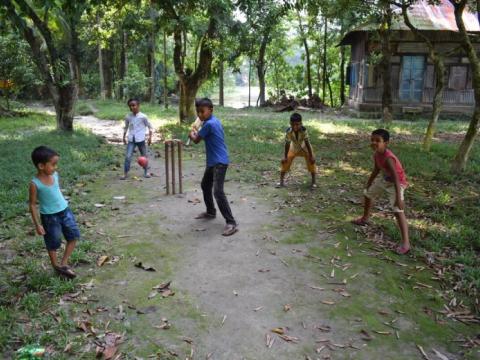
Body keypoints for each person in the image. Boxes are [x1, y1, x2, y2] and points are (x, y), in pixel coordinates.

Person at [352, 129, 410, 255]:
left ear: (386, 143)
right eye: (372, 140)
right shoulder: (377, 154)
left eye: (378, 140)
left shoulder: (389, 158)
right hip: (385, 179)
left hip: (396, 183)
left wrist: (399, 199)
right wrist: (369, 183)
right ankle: (365, 218)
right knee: (368, 194)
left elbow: (396, 177)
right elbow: (376, 169)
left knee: (398, 210)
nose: (374, 143)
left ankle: (406, 243)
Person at [188, 98, 237, 236]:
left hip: (219, 162)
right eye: (198, 112)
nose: (200, 115)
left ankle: (231, 223)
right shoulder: (213, 121)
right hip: (213, 162)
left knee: (218, 192)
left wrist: (191, 133)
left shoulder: (209, 124)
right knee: (205, 185)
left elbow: (196, 140)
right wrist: (196, 130)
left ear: (211, 110)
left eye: (202, 111)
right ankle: (210, 212)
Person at [29, 146, 80, 278]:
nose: (55, 167)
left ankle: (64, 263)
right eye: (53, 164)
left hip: (65, 211)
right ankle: (56, 266)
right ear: (41, 165)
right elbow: (32, 204)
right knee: (53, 242)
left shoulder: (55, 175)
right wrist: (37, 224)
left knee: (73, 236)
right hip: (49, 217)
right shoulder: (35, 184)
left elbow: (55, 192)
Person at [278, 112, 316, 188]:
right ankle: (281, 182)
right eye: (293, 124)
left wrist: (311, 156)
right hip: (293, 148)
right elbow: (287, 144)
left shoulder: (304, 130)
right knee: (285, 162)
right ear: (290, 123)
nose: (295, 126)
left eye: (297, 124)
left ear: (301, 123)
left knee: (311, 163)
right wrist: (285, 156)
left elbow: (307, 143)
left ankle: (313, 182)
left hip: (304, 148)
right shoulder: (288, 131)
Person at [121, 98, 153, 180]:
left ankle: (146, 172)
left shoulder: (143, 117)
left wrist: (150, 138)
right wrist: (124, 137)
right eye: (130, 106)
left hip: (141, 139)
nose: (132, 107)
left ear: (138, 106)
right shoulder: (128, 116)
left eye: (134, 105)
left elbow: (150, 127)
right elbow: (126, 127)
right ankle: (125, 173)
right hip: (131, 139)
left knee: (144, 156)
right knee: (128, 157)